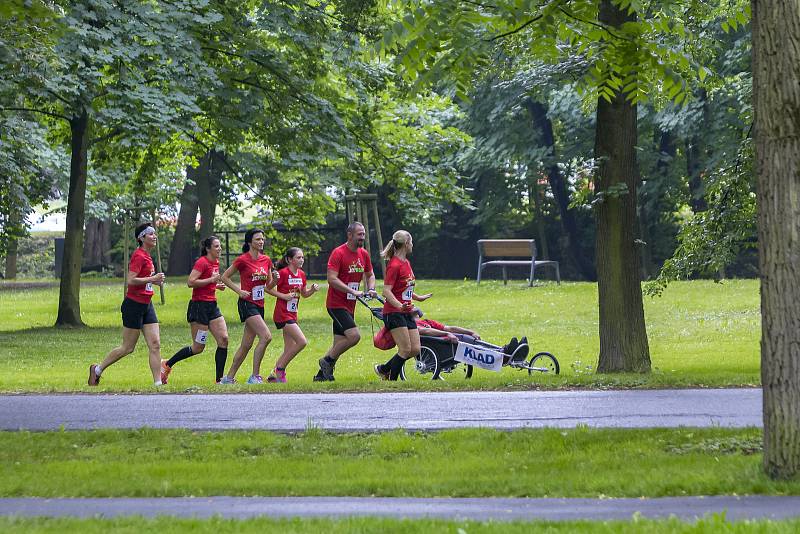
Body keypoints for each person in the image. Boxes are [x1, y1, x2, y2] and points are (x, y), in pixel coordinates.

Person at [88, 222, 166, 386]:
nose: (154, 236)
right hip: (134, 305)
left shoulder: (148, 256)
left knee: (155, 344)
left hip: (147, 304)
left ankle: (158, 384)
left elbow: (143, 280)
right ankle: (97, 370)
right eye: (151, 234)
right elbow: (131, 280)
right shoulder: (138, 255)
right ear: (142, 237)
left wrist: (154, 282)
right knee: (128, 348)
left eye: (154, 233)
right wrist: (152, 279)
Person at [159, 236, 230, 385]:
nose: (220, 249)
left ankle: (220, 380)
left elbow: (205, 283)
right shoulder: (202, 262)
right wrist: (211, 281)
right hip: (199, 308)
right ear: (208, 249)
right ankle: (167, 364)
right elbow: (190, 282)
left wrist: (215, 286)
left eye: (220, 246)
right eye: (216, 246)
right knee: (198, 348)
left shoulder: (215, 262)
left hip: (212, 307)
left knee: (223, 339)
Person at [315, 221, 377, 381]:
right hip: (336, 304)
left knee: (339, 342)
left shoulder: (364, 254)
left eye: (363, 234)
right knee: (354, 336)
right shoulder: (338, 253)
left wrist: (371, 288)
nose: (362, 237)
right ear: (350, 235)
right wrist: (352, 291)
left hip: (350, 304)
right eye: (359, 234)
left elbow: (370, 274)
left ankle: (322, 375)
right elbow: (331, 279)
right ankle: (326, 361)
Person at [218, 228, 278, 384]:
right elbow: (224, 277)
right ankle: (255, 376)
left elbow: (269, 286)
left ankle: (228, 378)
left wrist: (276, 280)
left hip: (259, 305)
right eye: (257, 239)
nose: (261, 242)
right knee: (266, 336)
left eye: (262, 239)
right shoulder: (242, 260)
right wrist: (239, 291)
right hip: (247, 304)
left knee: (246, 345)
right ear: (250, 242)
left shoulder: (266, 260)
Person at [373, 230, 431, 381]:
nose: (412, 245)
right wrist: (399, 306)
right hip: (394, 312)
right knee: (405, 349)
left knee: (415, 349)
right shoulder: (394, 265)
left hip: (406, 312)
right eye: (411, 242)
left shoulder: (406, 263)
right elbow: (386, 291)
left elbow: (406, 287)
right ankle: (392, 381)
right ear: (406, 244)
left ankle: (384, 369)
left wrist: (418, 298)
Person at [373, 308, 525, 359]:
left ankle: (504, 351)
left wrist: (469, 330)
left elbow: (450, 328)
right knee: (468, 343)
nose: (418, 314)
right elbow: (424, 331)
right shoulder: (410, 326)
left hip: (449, 339)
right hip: (443, 344)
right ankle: (504, 355)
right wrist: (444, 335)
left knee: (469, 338)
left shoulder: (428, 321)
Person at [266, 247, 320, 383]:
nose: (301, 260)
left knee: (289, 348)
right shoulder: (283, 273)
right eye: (298, 257)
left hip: (292, 314)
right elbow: (268, 288)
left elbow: (304, 294)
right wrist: (283, 295)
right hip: (282, 314)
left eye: (302, 257)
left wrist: (312, 290)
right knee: (302, 341)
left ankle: (273, 375)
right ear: (289, 259)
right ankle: (280, 369)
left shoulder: (301, 274)